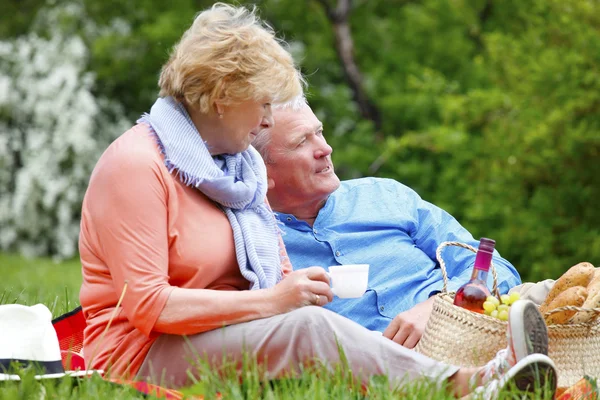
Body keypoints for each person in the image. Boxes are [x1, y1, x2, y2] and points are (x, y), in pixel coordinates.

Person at [79, 4, 556, 398]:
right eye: (263, 103)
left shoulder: (231, 171)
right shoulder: (137, 165)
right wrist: (274, 302)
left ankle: (494, 367)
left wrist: (290, 291)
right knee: (310, 328)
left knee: (311, 323)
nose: (266, 119)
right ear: (223, 96)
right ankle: (467, 387)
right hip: (140, 352)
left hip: (212, 336)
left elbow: (277, 276)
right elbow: (147, 308)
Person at [253, 101, 522, 348]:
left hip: (472, 320)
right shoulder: (256, 245)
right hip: (391, 362)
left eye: (319, 132)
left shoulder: (385, 195)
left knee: (548, 293)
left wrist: (439, 306)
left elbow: (494, 268)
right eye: (301, 142)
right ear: (262, 170)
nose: (325, 149)